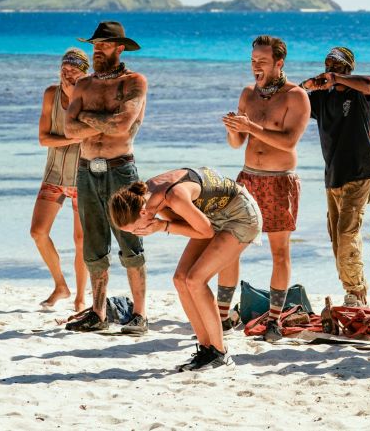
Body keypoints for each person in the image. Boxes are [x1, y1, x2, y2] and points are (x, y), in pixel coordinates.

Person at [109, 167, 262, 371]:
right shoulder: (145, 196)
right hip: (212, 217)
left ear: (143, 212)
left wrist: (161, 227)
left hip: (241, 216)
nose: (137, 233)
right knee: (180, 279)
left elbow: (206, 232)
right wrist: (164, 224)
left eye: (136, 229)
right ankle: (207, 349)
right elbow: (186, 224)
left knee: (196, 280)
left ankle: (220, 353)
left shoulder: (174, 196)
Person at [221, 35, 310, 343]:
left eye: (262, 61)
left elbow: (289, 141)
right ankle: (222, 316)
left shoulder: (296, 96)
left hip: (279, 180)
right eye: (252, 61)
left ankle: (274, 320)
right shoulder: (248, 93)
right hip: (248, 177)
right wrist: (234, 129)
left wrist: (251, 127)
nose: (255, 66)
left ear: (278, 63)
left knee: (280, 252)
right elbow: (237, 144)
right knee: (228, 244)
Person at [63, 21, 148, 334]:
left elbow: (122, 126)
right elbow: (69, 129)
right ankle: (98, 313)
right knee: (93, 243)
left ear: (120, 48)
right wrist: (103, 120)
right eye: (95, 45)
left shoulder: (133, 82)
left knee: (130, 240)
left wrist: (84, 116)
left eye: (104, 45)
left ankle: (140, 314)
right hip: (86, 169)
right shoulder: (84, 85)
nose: (97, 50)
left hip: (120, 168)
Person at [300, 47, 370, 307]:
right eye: (328, 64)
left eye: (337, 65)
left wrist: (336, 79)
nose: (330, 68)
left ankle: (355, 291)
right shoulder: (322, 98)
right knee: (337, 238)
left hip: (360, 172)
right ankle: (354, 290)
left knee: (347, 233)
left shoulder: (358, 95)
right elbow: (293, 100)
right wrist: (307, 86)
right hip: (332, 175)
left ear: (348, 68)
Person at [31, 48, 90, 311]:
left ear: (85, 73)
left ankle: (80, 298)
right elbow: (43, 139)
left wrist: (75, 97)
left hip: (83, 178)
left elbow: (96, 133)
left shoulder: (91, 97)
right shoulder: (50, 94)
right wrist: (73, 138)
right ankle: (60, 286)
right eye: (64, 69)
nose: (67, 74)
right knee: (38, 232)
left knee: (81, 241)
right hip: (53, 175)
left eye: (74, 70)